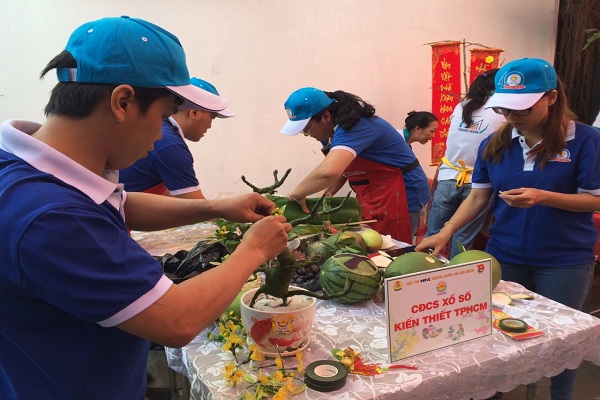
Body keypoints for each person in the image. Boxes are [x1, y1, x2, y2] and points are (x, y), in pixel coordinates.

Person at [0, 16, 291, 400]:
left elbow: (123, 205)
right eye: (163, 116)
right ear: (122, 102)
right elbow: (177, 320)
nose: (160, 133)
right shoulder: (51, 218)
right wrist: (254, 249)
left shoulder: (25, 168)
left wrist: (218, 207)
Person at [416, 58, 600, 400]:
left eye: (523, 107)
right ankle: (494, 392)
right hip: (505, 254)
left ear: (551, 98)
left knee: (563, 340)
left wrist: (543, 197)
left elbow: (595, 200)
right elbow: (478, 196)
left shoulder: (585, 140)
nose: (513, 115)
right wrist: (446, 231)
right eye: (505, 107)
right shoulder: (494, 144)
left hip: (564, 259)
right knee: (496, 331)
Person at [280, 87, 430, 243]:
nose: (307, 135)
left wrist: (294, 195)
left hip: (402, 192)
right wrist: (326, 194)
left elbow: (329, 171)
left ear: (325, 116)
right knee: (372, 244)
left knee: (392, 248)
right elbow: (343, 169)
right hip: (373, 192)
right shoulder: (329, 133)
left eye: (307, 129)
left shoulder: (356, 127)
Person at [425, 69, 505, 258]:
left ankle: (423, 266)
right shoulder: (501, 111)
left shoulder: (461, 106)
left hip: (448, 177)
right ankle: (456, 272)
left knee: (433, 233)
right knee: (462, 239)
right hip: (478, 184)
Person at [120, 77, 234, 199]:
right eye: (212, 117)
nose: (210, 125)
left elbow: (174, 198)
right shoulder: (170, 145)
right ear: (194, 113)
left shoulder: (165, 133)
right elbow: (195, 206)